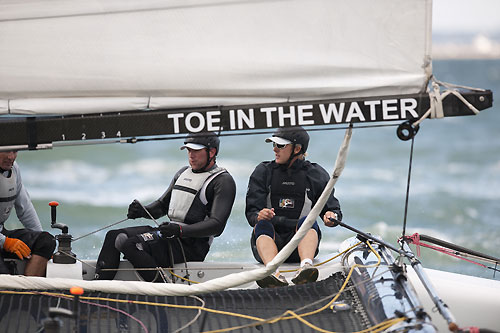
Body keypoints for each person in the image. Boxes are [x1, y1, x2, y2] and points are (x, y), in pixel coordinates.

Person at [94, 132, 236, 282]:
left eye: (196, 151)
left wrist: (180, 231)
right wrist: (143, 211)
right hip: (170, 235)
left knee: (132, 245)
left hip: (192, 245)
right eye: (188, 150)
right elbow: (162, 206)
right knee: (114, 236)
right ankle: (98, 289)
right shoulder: (182, 173)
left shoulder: (222, 181)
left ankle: (165, 290)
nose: (191, 155)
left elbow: (217, 226)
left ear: (212, 152)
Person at [245, 126, 342, 288]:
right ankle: (272, 272)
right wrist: (259, 215)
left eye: (280, 146)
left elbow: (333, 211)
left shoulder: (316, 175)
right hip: (271, 243)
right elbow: (251, 215)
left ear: (297, 149)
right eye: (274, 145)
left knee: (308, 221)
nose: (275, 149)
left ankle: (305, 268)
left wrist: (331, 217)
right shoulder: (263, 172)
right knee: (262, 224)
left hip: (300, 247)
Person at [0, 150, 56, 276]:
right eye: (5, 151)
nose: (11, 157)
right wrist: (5, 242)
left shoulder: (14, 169)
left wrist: (41, 246)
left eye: (15, 151)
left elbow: (25, 209)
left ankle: (29, 293)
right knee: (4, 275)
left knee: (46, 241)